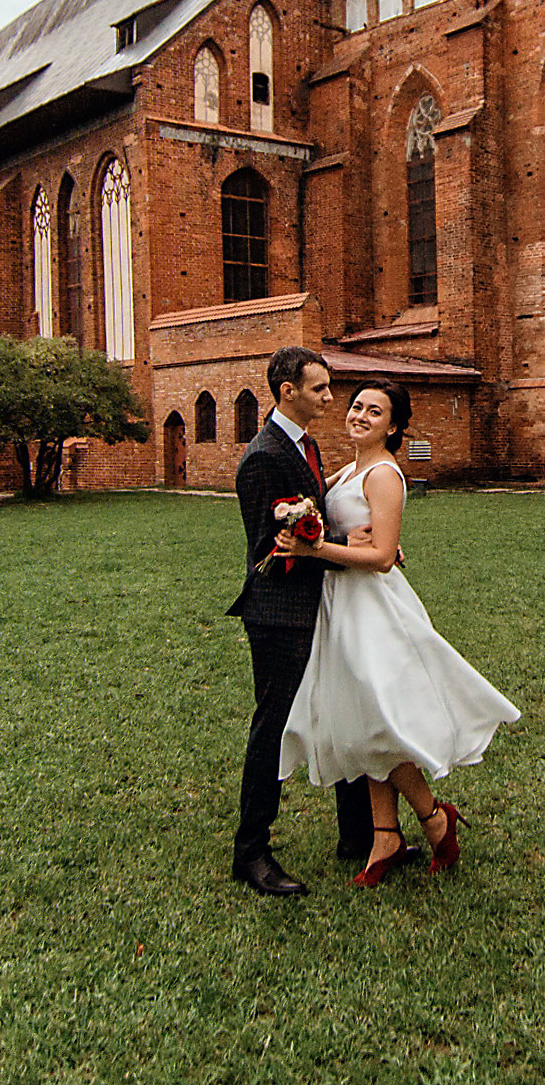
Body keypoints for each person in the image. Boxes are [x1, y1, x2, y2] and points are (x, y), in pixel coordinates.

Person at [279, 378, 520, 887]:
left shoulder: (384, 475)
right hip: (343, 606)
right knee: (365, 722)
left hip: (373, 611)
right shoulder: (351, 466)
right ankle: (385, 834)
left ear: (393, 426)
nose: (361, 415)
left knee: (379, 723)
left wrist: (316, 550)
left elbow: (384, 557)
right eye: (357, 406)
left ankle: (434, 817)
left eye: (375, 411)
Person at [225, 346, 376, 897]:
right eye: (319, 389)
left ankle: (357, 835)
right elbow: (273, 545)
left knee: (346, 709)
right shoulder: (265, 456)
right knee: (274, 726)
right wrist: (343, 542)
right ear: (287, 391)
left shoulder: (303, 443)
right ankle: (251, 852)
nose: (330, 398)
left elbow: (310, 506)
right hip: (279, 613)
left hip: (318, 600)